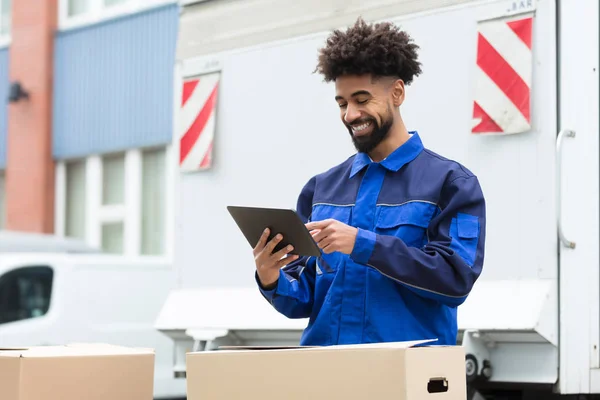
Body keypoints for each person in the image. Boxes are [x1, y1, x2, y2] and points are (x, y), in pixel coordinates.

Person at [253, 17, 486, 346]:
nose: (350, 115)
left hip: (405, 376)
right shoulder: (320, 189)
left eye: (362, 100)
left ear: (397, 92)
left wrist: (362, 243)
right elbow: (303, 297)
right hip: (326, 376)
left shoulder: (450, 184)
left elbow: (454, 279)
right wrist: (271, 275)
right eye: (342, 103)